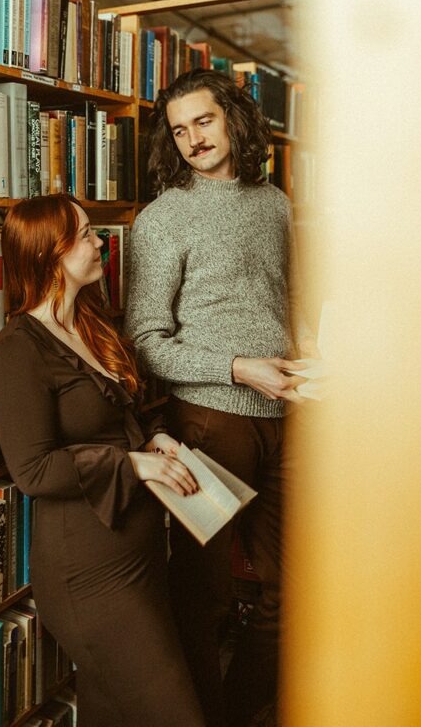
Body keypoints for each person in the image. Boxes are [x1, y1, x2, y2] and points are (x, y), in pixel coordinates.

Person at [124, 68, 318, 727]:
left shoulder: (273, 203)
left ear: (234, 118)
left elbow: (285, 302)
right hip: (207, 423)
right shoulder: (162, 219)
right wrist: (238, 368)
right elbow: (146, 342)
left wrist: (310, 361)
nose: (191, 139)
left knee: (286, 589)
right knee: (202, 597)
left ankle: (241, 712)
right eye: (178, 131)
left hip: (286, 418)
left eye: (202, 121)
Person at [0, 194, 206, 727]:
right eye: (84, 234)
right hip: (89, 572)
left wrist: (155, 440)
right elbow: (34, 472)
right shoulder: (18, 350)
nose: (98, 242)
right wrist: (134, 466)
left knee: (114, 712)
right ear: (47, 253)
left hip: (142, 552)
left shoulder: (91, 324)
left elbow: (121, 418)